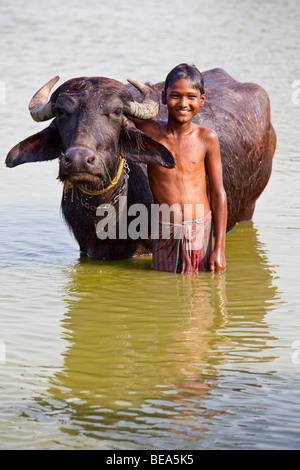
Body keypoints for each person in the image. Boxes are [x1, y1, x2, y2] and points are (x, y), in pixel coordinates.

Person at [131, 63, 227, 274]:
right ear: (164, 97)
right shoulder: (151, 131)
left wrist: (219, 247)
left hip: (199, 228)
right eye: (176, 96)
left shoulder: (207, 138)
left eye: (191, 97)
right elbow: (118, 113)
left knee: (199, 299)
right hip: (165, 229)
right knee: (165, 291)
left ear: (201, 100)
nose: (183, 103)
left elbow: (218, 192)